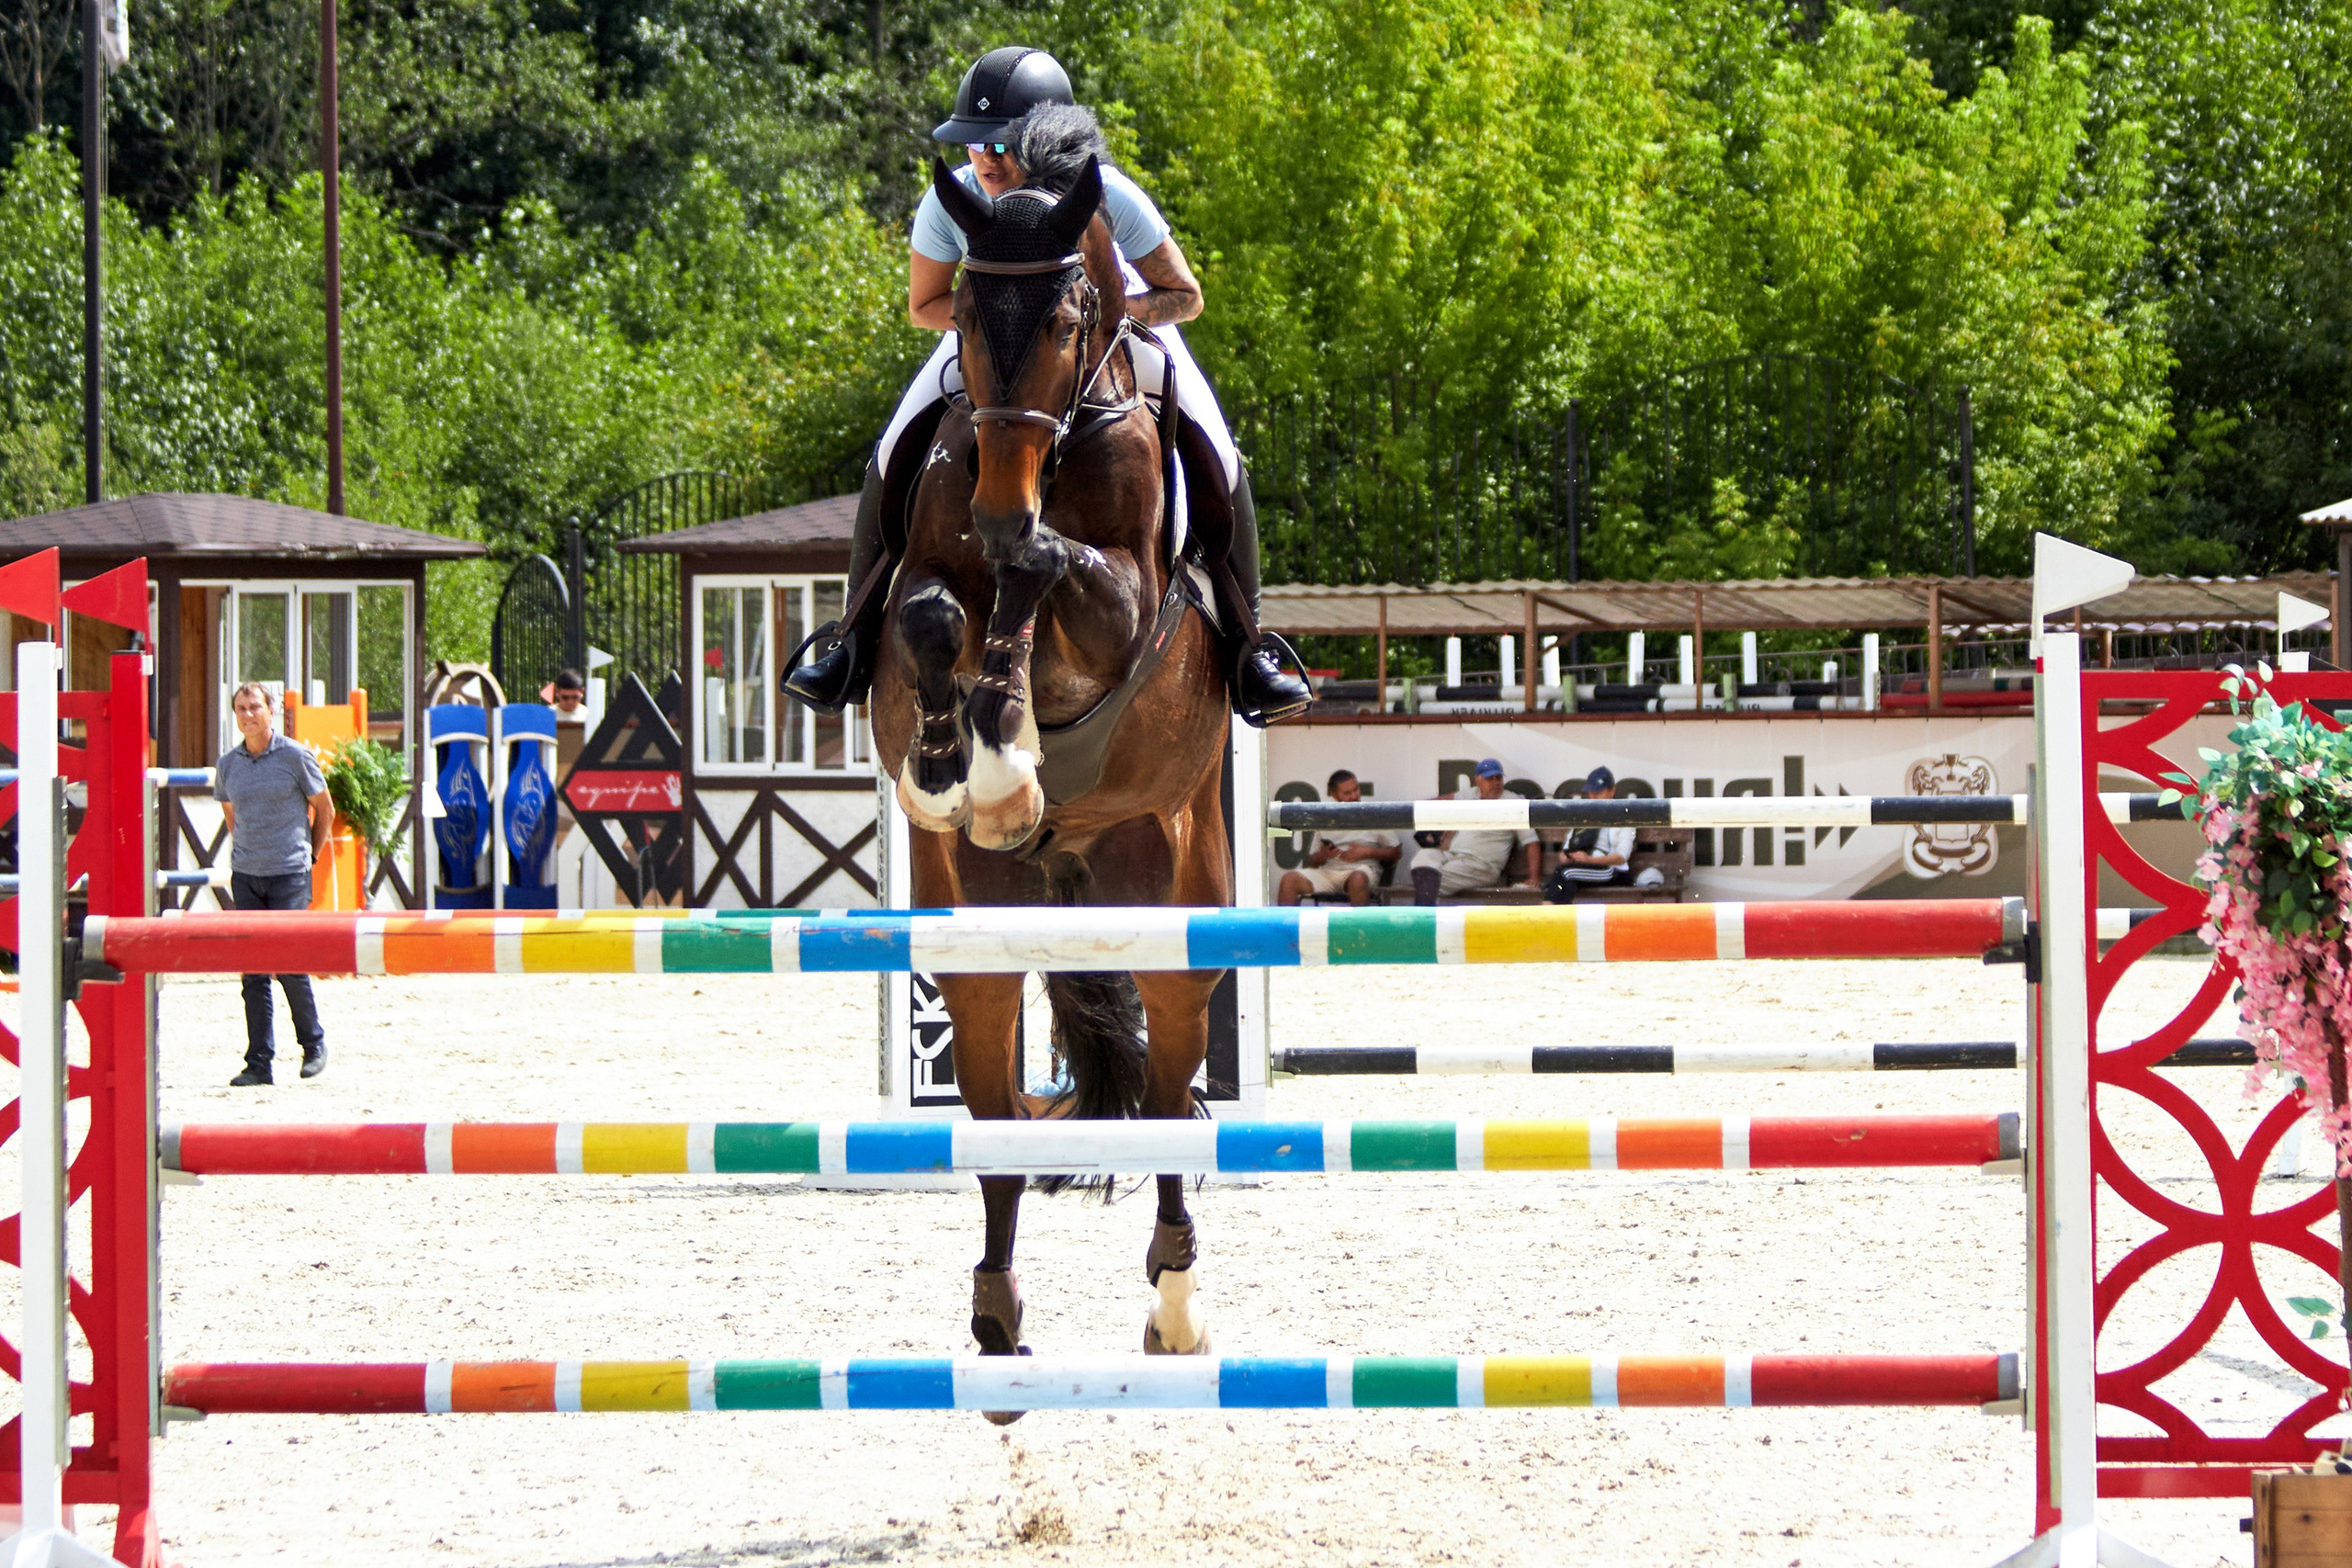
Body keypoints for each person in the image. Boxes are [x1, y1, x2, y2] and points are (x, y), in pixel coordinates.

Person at [780, 46, 1310, 728]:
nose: (986, 159)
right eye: (974, 144)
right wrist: (999, 324)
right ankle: (850, 640)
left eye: (1000, 143)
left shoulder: (1108, 194)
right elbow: (923, 305)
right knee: (892, 449)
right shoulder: (951, 202)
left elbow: (1186, 295)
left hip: (1113, 336)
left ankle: (1248, 645)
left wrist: (1094, 318)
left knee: (1219, 452)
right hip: (994, 346)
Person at [215, 682, 333, 1086]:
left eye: (255, 707)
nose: (248, 714)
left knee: (289, 962)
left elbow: (325, 810)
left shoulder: (295, 756)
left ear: (271, 710)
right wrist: (250, 851)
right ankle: (259, 1063)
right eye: (241, 708)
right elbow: (232, 816)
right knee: (252, 972)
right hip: (247, 876)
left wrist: (309, 857)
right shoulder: (227, 764)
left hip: (289, 874)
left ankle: (313, 1044)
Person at [1409, 759, 1541, 905]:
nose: (1495, 782)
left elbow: (1531, 842)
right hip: (1454, 856)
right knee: (1424, 856)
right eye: (1489, 778)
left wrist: (1534, 878)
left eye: (1498, 778)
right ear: (1477, 780)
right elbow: (1442, 800)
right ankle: (1426, 912)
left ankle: (1423, 915)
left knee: (1429, 880)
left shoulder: (1513, 802)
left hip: (1482, 865)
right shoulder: (1470, 795)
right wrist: (1414, 809)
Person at [1276, 770, 1399, 906]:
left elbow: (1396, 852)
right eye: (1347, 793)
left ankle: (1359, 921)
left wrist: (1367, 852)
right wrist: (1323, 855)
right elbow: (1312, 861)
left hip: (1361, 870)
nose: (1354, 796)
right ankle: (1286, 921)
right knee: (1289, 880)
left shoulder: (1374, 814)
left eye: (1356, 790)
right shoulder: (1325, 817)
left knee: (1357, 879)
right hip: (1329, 872)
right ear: (1334, 795)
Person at [1544, 766, 1636, 903]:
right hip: (1584, 868)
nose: (1593, 797)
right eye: (1591, 792)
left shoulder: (1624, 816)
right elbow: (1567, 847)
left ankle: (1547, 912)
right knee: (1566, 881)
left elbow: (1622, 857)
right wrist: (1566, 857)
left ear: (1612, 791)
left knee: (1565, 873)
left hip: (1613, 871)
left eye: (1598, 792)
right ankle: (1556, 914)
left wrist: (1589, 860)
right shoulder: (1583, 814)